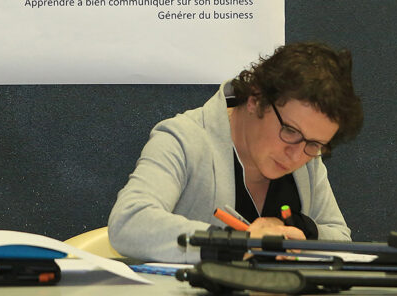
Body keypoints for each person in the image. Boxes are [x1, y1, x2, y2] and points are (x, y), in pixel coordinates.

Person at [108, 42, 363, 262]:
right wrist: (238, 244)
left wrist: (294, 228)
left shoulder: (307, 154)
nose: (296, 156)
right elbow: (129, 222)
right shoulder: (184, 138)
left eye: (315, 145)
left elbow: (340, 238)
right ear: (255, 99)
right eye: (289, 130)